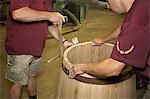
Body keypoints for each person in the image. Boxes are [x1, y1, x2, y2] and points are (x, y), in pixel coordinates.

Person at [69, 0, 149, 98]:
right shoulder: (141, 5)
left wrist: (84, 67)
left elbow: (113, 69)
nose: (107, 6)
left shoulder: (136, 22)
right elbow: (121, 29)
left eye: (107, 1)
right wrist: (103, 40)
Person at [5, 0, 73, 99]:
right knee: (18, 83)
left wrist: (64, 41)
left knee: (32, 76)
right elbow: (18, 13)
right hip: (20, 49)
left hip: (37, 49)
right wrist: (49, 15)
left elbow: (48, 25)